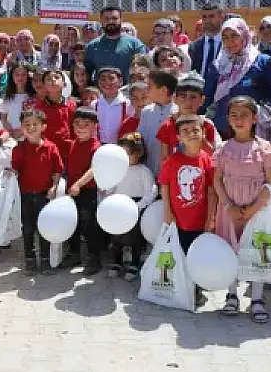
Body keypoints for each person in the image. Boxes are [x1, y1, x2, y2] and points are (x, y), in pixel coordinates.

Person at [211, 96, 271, 321]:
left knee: (257, 251)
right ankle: (231, 294)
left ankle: (257, 298)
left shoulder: (264, 148)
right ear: (228, 119)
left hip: (256, 209)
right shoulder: (223, 149)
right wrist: (228, 205)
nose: (239, 120)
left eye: (245, 115)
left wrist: (254, 208)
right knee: (230, 249)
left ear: (255, 118)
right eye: (234, 115)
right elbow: (217, 180)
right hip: (229, 209)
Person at [158, 114, 215, 309]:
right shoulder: (172, 161)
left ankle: (196, 289)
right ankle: (181, 288)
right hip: (179, 219)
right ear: (178, 137)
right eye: (185, 132)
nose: (191, 134)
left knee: (197, 255)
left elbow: (211, 190)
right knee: (179, 254)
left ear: (203, 133)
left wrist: (211, 217)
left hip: (200, 220)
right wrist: (167, 211)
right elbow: (164, 186)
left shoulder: (207, 160)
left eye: (195, 130)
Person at [204, 18, 271, 140]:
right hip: (222, 130)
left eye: (234, 36)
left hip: (253, 130)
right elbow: (207, 97)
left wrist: (262, 111)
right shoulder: (218, 66)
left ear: (244, 36)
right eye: (225, 37)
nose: (229, 41)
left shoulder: (262, 62)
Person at [10, 108, 63, 275]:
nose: (31, 127)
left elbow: (57, 170)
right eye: (27, 124)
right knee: (27, 228)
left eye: (35, 124)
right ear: (22, 127)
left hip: (44, 195)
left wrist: (54, 186)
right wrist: (9, 174)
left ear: (43, 127)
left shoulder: (51, 147)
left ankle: (46, 259)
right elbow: (15, 170)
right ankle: (30, 259)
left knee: (44, 228)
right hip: (25, 195)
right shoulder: (19, 149)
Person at [104, 133, 157, 280]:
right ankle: (116, 262)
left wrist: (139, 205)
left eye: (127, 153)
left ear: (138, 153)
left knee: (135, 237)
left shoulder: (143, 171)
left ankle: (134, 263)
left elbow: (151, 191)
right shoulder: (118, 170)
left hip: (135, 206)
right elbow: (111, 187)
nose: (124, 157)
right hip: (118, 206)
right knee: (116, 235)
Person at [64, 108, 104, 275]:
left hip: (88, 191)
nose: (81, 128)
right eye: (77, 124)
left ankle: (94, 258)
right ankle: (75, 254)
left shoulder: (97, 146)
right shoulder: (73, 144)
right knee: (73, 223)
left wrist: (79, 184)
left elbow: (93, 169)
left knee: (89, 226)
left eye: (86, 125)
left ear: (95, 126)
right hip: (72, 191)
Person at [157, 73, 217, 160]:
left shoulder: (206, 126)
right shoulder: (167, 126)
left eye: (193, 97)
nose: (188, 101)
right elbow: (164, 158)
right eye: (183, 97)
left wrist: (202, 140)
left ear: (202, 100)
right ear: (175, 99)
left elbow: (212, 157)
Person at [84, 7, 146, 83]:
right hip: (101, 92)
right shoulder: (92, 46)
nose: (110, 21)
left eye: (114, 18)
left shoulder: (135, 44)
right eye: (106, 19)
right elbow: (87, 74)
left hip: (128, 92)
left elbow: (143, 72)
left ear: (121, 20)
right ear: (101, 21)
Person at [136, 69, 179, 176]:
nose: (147, 90)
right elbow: (140, 138)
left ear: (163, 90)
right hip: (148, 171)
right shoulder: (146, 111)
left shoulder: (178, 113)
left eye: (150, 86)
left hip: (170, 174)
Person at [189, 3, 225, 92]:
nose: (207, 21)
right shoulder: (194, 46)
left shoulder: (229, 44)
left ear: (221, 17)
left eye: (211, 16)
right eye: (204, 17)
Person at [91, 67, 132, 144]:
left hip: (121, 147)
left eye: (111, 78)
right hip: (99, 146)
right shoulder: (94, 104)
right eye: (103, 79)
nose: (107, 82)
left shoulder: (128, 104)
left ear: (120, 81)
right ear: (99, 82)